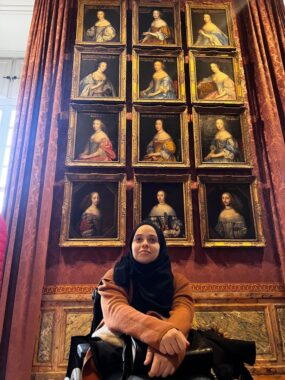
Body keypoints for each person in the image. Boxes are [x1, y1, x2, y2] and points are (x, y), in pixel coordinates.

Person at [82, 222, 214, 380]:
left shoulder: (178, 281)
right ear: (130, 246)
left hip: (170, 346)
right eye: (138, 239)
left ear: (161, 247)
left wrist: (170, 350)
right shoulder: (116, 276)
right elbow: (115, 311)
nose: (145, 244)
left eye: (152, 240)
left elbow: (184, 313)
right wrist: (160, 335)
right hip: (121, 352)